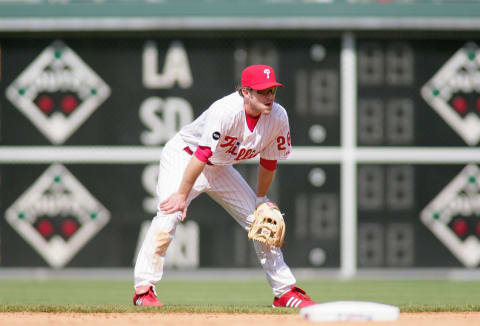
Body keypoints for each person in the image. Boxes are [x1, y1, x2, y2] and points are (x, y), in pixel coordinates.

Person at [133, 64, 317, 308]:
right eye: (262, 91)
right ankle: (143, 291)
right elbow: (201, 154)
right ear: (246, 92)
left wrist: (261, 200)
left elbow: (269, 162)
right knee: (169, 214)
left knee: (262, 222)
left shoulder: (278, 117)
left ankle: (284, 292)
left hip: (219, 167)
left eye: (272, 90)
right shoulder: (226, 110)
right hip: (185, 157)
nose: (269, 96)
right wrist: (181, 194)